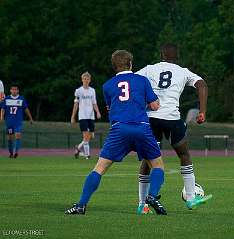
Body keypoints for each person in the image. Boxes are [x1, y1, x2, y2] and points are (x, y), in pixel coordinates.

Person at [65, 50, 167, 215]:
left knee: (99, 168)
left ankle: (81, 205)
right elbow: (155, 106)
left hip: (119, 129)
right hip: (141, 127)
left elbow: (111, 108)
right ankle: (152, 196)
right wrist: (144, 104)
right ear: (131, 64)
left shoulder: (107, 85)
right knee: (157, 165)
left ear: (114, 67)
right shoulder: (142, 80)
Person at [136, 43, 212, 214]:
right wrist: (202, 111)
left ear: (161, 54)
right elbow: (202, 84)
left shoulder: (149, 69)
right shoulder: (183, 71)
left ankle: (142, 205)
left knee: (148, 161)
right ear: (177, 56)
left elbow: (132, 82)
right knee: (184, 155)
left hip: (150, 118)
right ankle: (191, 198)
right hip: (172, 118)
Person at [71, 72, 101, 160]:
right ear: (82, 79)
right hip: (82, 116)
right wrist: (73, 116)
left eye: (87, 79)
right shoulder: (78, 91)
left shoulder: (92, 90)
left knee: (91, 136)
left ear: (90, 80)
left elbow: (94, 103)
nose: (86, 80)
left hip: (91, 116)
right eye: (84, 79)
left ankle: (78, 147)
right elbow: (75, 104)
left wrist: (98, 112)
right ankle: (87, 155)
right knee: (86, 135)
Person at [0, 84, 34, 158]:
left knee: (18, 135)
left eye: (16, 89)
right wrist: (1, 117)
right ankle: (11, 153)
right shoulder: (6, 99)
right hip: (9, 122)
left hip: (18, 122)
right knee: (10, 138)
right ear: (10, 90)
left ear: (18, 91)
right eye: (13, 89)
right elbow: (3, 109)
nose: (14, 91)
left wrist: (30, 118)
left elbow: (26, 109)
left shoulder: (21, 99)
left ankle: (16, 152)